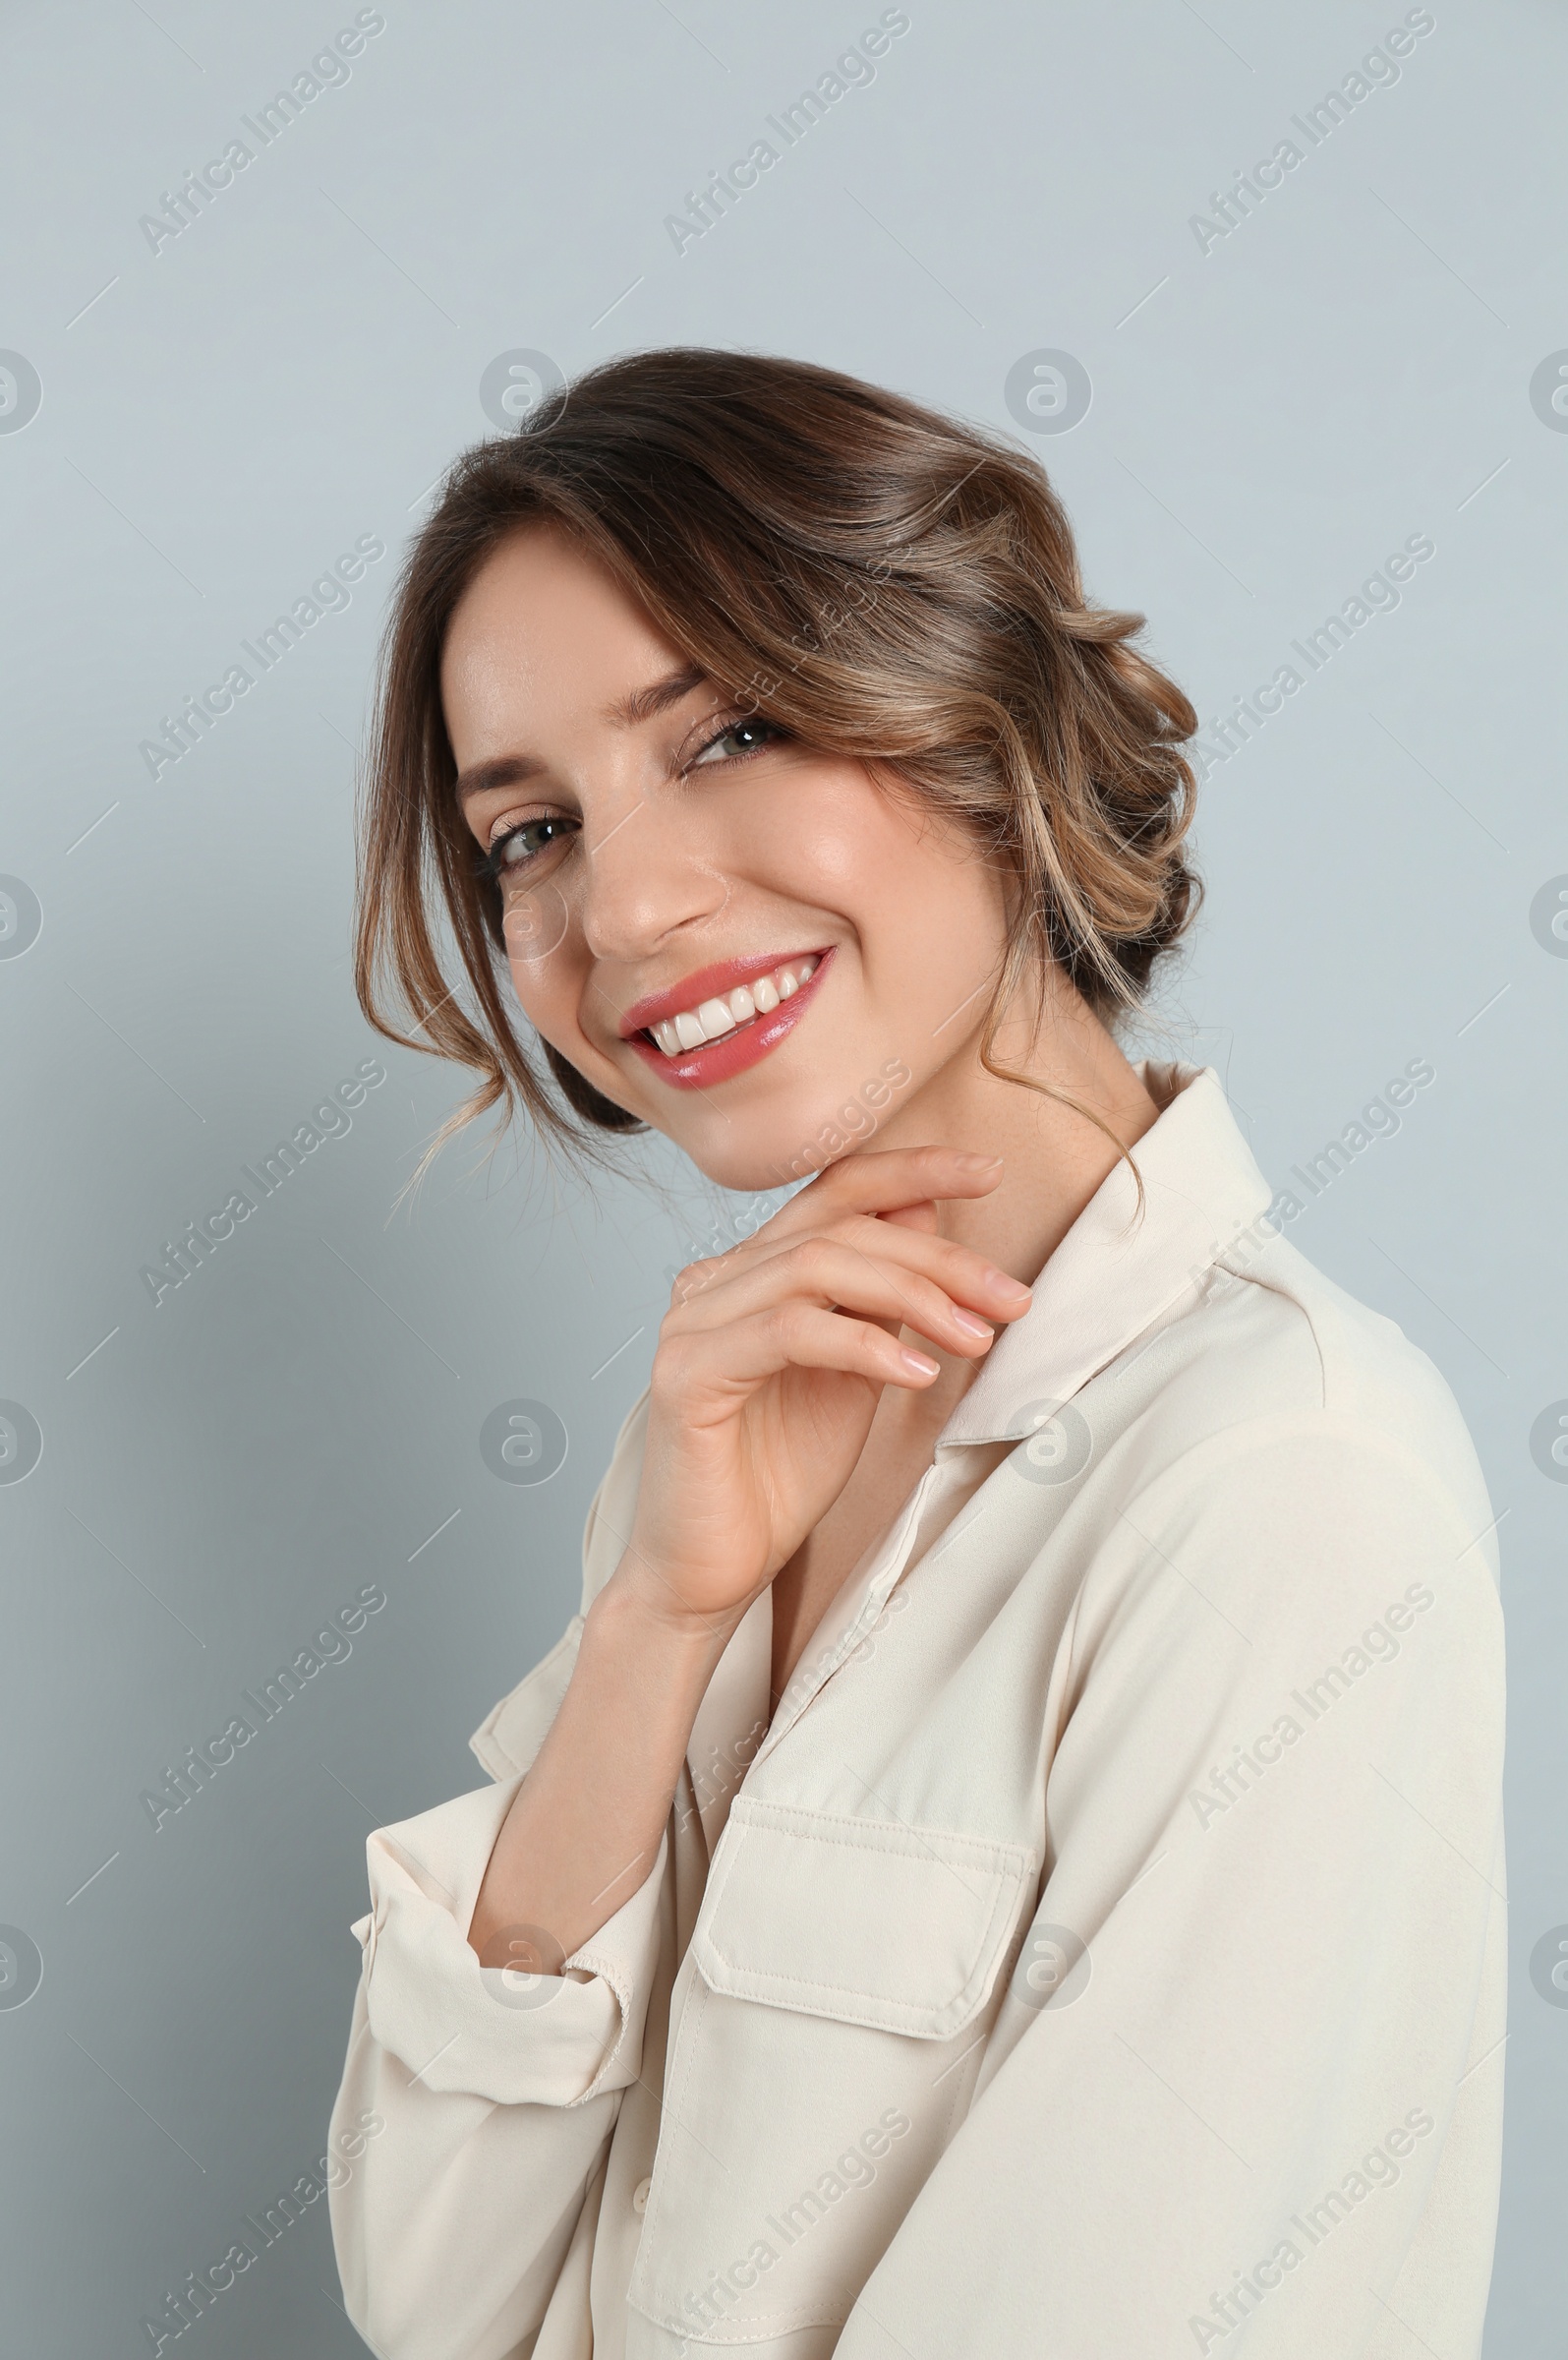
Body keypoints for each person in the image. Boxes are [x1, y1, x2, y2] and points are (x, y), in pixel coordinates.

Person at [327, 349, 1505, 2359]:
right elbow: (439, 2292)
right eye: (526, 835)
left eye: (725, 734)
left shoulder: (1279, 1483)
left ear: (973, 715)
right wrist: (652, 1628)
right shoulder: (722, 1436)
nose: (619, 906)